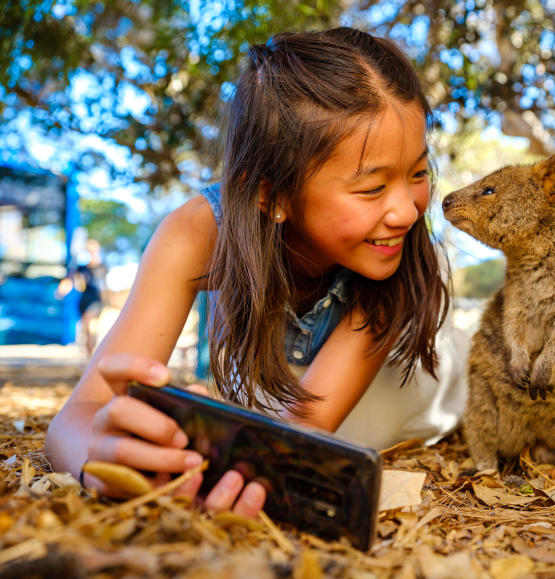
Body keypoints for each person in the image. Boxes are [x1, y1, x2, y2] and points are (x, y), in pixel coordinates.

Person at [46, 27, 467, 519]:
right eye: (372, 188)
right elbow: (73, 419)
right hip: (289, 385)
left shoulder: (395, 253)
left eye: (417, 173)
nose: (409, 211)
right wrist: (97, 459)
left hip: (422, 380)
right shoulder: (196, 233)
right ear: (271, 196)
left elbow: (305, 427)